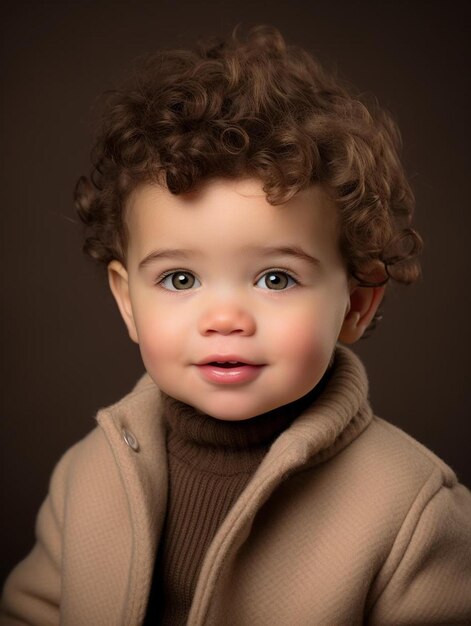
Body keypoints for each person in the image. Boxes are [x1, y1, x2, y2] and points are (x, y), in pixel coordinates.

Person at [2, 25, 470, 626]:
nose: (224, 319)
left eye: (275, 279)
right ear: (127, 302)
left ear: (356, 304)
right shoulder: (89, 473)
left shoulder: (413, 511)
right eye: (179, 280)